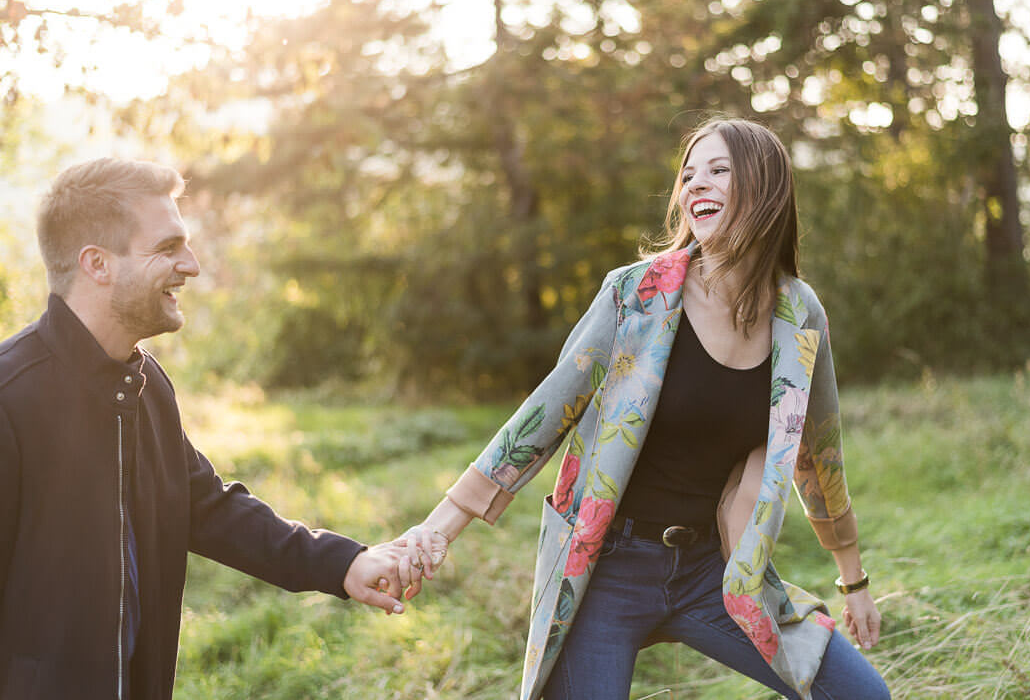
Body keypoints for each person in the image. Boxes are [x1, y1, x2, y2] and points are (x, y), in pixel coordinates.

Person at [402, 118, 890, 700]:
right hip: (607, 570)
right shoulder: (637, 294)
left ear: (763, 188)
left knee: (861, 696)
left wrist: (853, 578)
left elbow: (819, 452)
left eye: (717, 170)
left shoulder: (798, 314)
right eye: (687, 175)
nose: (693, 186)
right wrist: (437, 529)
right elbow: (542, 416)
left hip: (715, 571)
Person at [0, 158, 439, 700]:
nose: (192, 265)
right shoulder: (10, 399)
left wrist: (344, 563)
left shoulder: (145, 385)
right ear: (97, 264)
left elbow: (206, 507)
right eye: (167, 247)